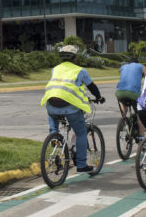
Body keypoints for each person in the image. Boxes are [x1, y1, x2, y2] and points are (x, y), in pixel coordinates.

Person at [41, 44, 105, 172]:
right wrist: (98, 97)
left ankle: (54, 137)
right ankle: (81, 165)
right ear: (75, 57)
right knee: (81, 133)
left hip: (51, 104)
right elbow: (92, 87)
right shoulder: (80, 71)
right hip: (69, 107)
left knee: (53, 117)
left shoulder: (55, 69)